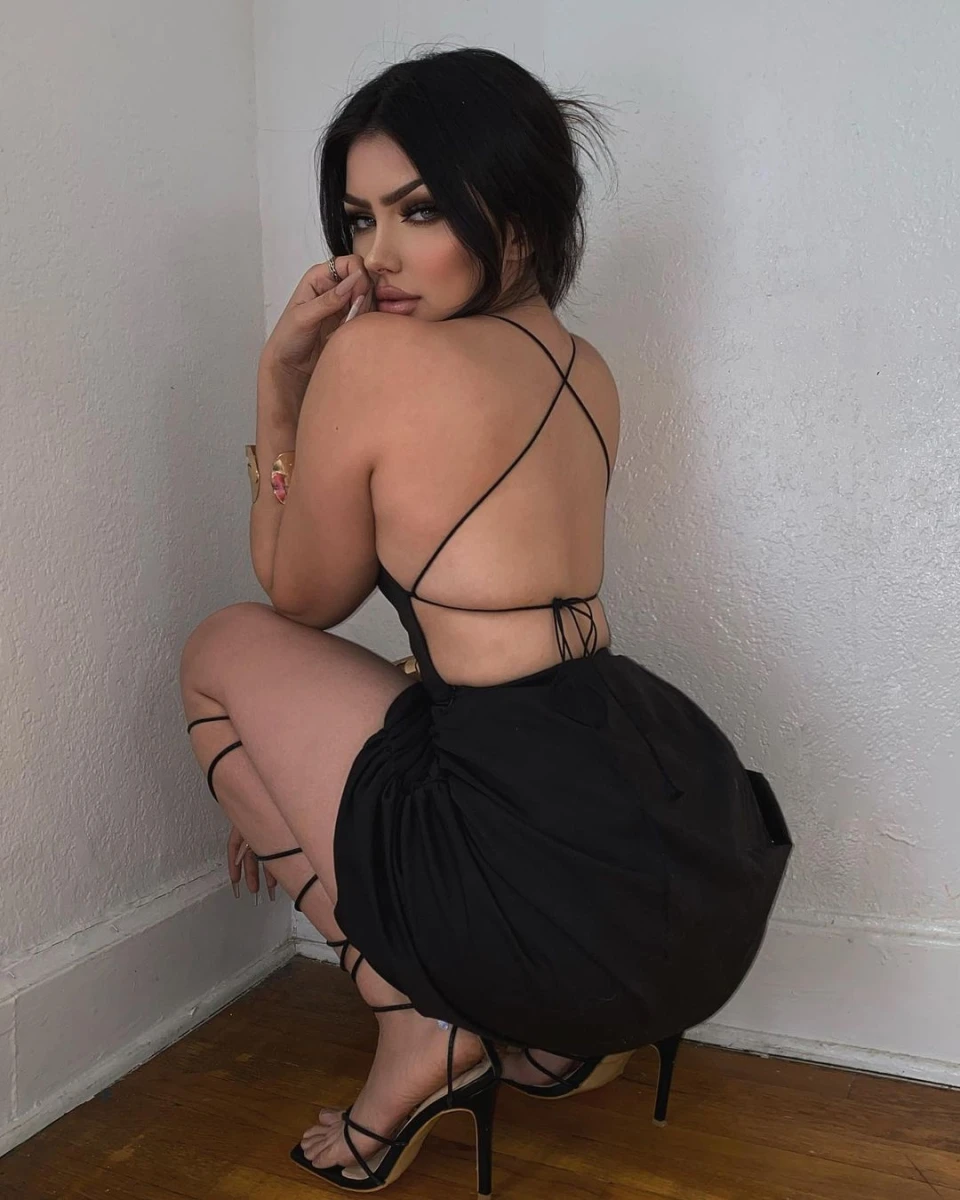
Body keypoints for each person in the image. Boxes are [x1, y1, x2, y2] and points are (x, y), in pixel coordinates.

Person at [179, 46, 792, 1195]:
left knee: (221, 650)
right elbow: (488, 606)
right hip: (658, 833)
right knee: (409, 703)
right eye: (358, 219)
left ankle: (417, 1028)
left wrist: (280, 381)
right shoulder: (586, 365)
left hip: (522, 832)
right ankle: (552, 1041)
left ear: (515, 206)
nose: (377, 256)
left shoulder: (373, 357)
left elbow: (298, 598)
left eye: (419, 211)